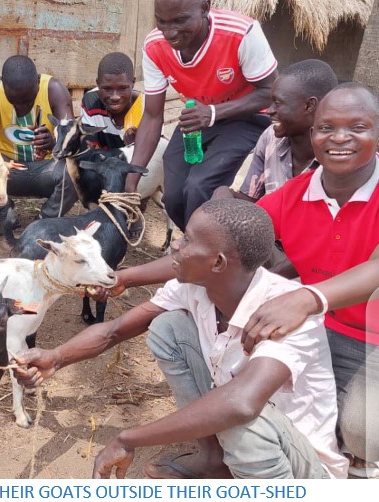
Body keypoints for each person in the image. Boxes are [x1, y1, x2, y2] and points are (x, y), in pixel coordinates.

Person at [15, 198, 347, 479]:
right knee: (168, 327)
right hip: (247, 434)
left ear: (217, 263)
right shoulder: (193, 287)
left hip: (301, 467)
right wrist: (56, 357)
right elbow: (115, 331)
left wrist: (129, 439)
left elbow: (241, 404)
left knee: (240, 418)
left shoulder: (287, 313)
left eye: (187, 240)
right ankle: (214, 460)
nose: (175, 244)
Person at [251, 83, 379, 478]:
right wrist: (127, 275)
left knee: (364, 434)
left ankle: (359, 470)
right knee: (241, 385)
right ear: (312, 134)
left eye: (357, 127)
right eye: (327, 128)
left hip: (373, 339)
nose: (339, 138)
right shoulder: (293, 195)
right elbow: (231, 236)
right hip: (321, 329)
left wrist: (305, 298)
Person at [131, 0, 278, 231]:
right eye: (161, 21)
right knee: (174, 195)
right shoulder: (154, 46)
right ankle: (196, 244)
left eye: (180, 20)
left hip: (248, 116)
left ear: (205, 7)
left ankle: (200, 254)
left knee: (200, 185)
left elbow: (270, 92)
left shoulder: (241, 33)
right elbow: (151, 115)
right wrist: (132, 182)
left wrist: (213, 113)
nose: (169, 32)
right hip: (199, 114)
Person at [0, 55, 78, 219]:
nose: (21, 106)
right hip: (8, 172)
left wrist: (53, 143)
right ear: (3, 85)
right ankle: (5, 213)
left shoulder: (54, 89)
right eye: (14, 101)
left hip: (47, 169)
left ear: (37, 82)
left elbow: (73, 142)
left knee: (77, 170)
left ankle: (46, 219)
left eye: (28, 100)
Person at [215, 59, 338, 201]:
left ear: (309, 105)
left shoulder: (339, 155)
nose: (269, 111)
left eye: (278, 103)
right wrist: (223, 193)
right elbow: (249, 201)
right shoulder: (270, 137)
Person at [80, 52, 144, 150]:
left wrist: (135, 147)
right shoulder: (91, 103)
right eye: (107, 89)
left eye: (122, 88)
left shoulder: (147, 108)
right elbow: (91, 152)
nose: (115, 97)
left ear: (133, 83)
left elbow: (154, 156)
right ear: (98, 84)